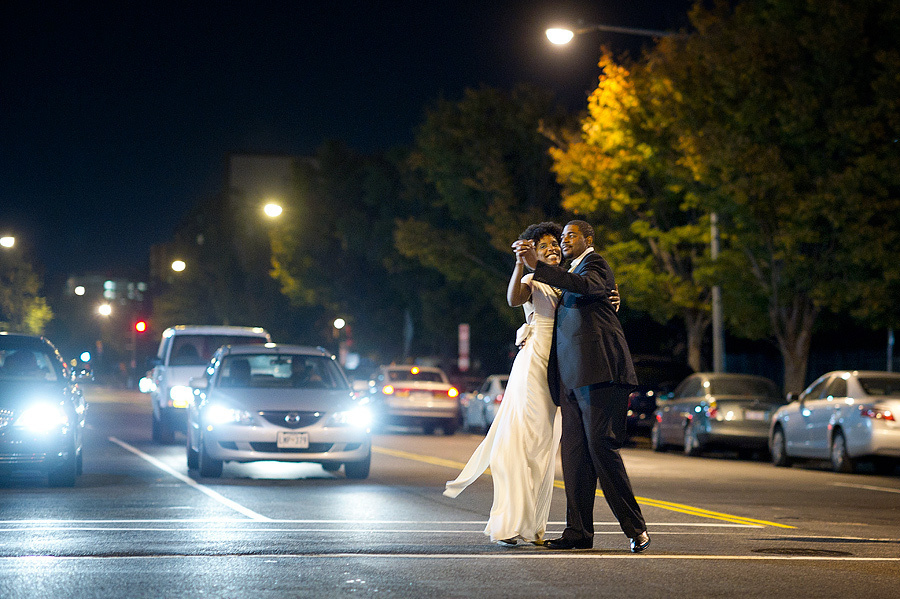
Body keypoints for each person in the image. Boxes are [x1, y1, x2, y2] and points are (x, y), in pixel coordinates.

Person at [515, 219, 650, 553]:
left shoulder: (595, 264)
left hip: (601, 373)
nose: (564, 241)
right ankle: (578, 532)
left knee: (601, 448)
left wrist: (537, 268)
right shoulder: (567, 279)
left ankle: (636, 529)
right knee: (574, 455)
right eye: (562, 237)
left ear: (588, 239)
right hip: (571, 378)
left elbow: (588, 286)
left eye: (571, 235)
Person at [443, 222, 565, 546]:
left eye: (556, 243)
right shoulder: (531, 279)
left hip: (558, 367)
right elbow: (513, 299)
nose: (552, 248)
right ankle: (511, 523)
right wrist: (519, 264)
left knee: (544, 446)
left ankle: (534, 525)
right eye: (545, 245)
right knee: (522, 442)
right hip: (534, 362)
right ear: (534, 252)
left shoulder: (569, 282)